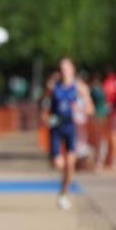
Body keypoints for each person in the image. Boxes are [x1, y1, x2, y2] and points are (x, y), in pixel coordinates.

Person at [43, 58, 93, 210]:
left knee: (70, 164)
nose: (64, 71)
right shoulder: (53, 87)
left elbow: (90, 109)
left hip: (71, 128)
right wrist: (45, 116)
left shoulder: (79, 88)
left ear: (72, 70)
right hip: (56, 128)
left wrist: (82, 110)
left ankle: (64, 193)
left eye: (67, 68)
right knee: (59, 163)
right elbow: (45, 104)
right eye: (62, 68)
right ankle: (64, 180)